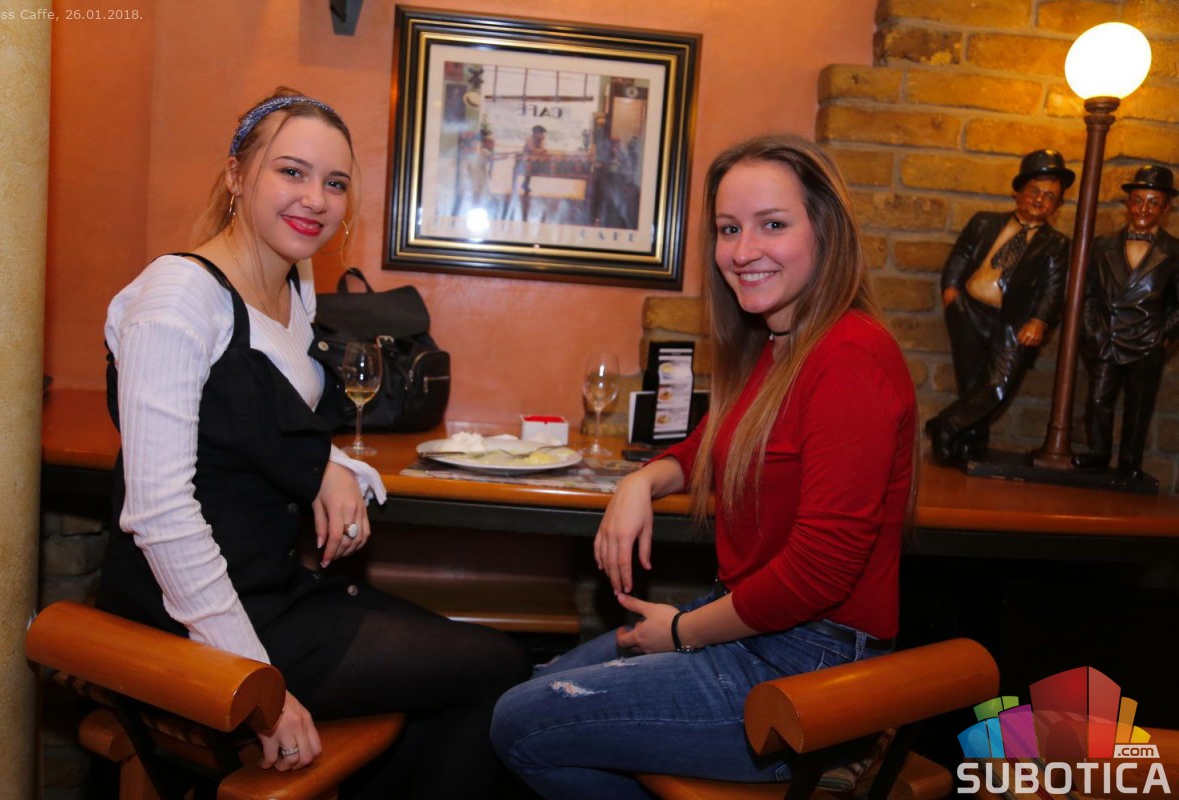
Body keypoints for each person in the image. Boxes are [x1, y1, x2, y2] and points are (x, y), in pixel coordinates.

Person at [96, 87, 527, 799]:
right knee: (495, 672)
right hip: (184, 616)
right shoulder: (176, 301)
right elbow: (159, 515)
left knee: (484, 669)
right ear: (236, 175)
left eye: (335, 182)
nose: (316, 199)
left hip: (267, 585)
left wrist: (329, 462)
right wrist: (255, 684)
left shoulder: (293, 284)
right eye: (291, 172)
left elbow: (254, 412)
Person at [490, 134, 917, 798]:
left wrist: (682, 632)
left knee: (523, 721)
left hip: (809, 666)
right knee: (539, 686)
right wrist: (641, 480)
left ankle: (846, 745)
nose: (742, 252)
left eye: (772, 225)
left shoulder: (850, 356)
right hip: (755, 630)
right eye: (728, 229)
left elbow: (818, 573)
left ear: (826, 231)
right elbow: (713, 445)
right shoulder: (779, 344)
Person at [925, 149, 1073, 463]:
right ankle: (968, 445)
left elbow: (1053, 288)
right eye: (1035, 191)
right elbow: (961, 255)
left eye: (1050, 196)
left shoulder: (1056, 244)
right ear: (1017, 192)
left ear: (1058, 205)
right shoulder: (984, 222)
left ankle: (944, 426)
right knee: (971, 383)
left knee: (997, 385)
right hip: (968, 310)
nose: (1040, 200)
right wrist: (950, 291)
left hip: (1013, 323)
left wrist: (1039, 321)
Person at [1073, 165, 1179, 478]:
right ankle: (1098, 452)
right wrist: (1090, 330)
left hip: (1147, 341)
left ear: (1166, 209)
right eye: (1138, 200)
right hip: (1106, 337)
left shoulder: (1175, 252)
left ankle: (1130, 462)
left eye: (1153, 202)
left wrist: (1163, 335)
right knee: (1097, 400)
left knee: (1140, 405)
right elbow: (1087, 293)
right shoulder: (1102, 244)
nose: (1144, 209)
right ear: (1127, 204)